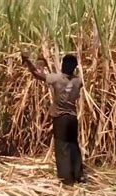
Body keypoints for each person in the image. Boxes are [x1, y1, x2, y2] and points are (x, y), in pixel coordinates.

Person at [21, 52, 84, 186]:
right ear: (75, 67)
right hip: (72, 117)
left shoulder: (56, 79)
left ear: (62, 65)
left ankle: (67, 180)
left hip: (61, 118)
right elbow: (66, 84)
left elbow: (38, 74)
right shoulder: (78, 81)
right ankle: (78, 175)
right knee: (73, 145)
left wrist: (27, 61)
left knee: (62, 147)